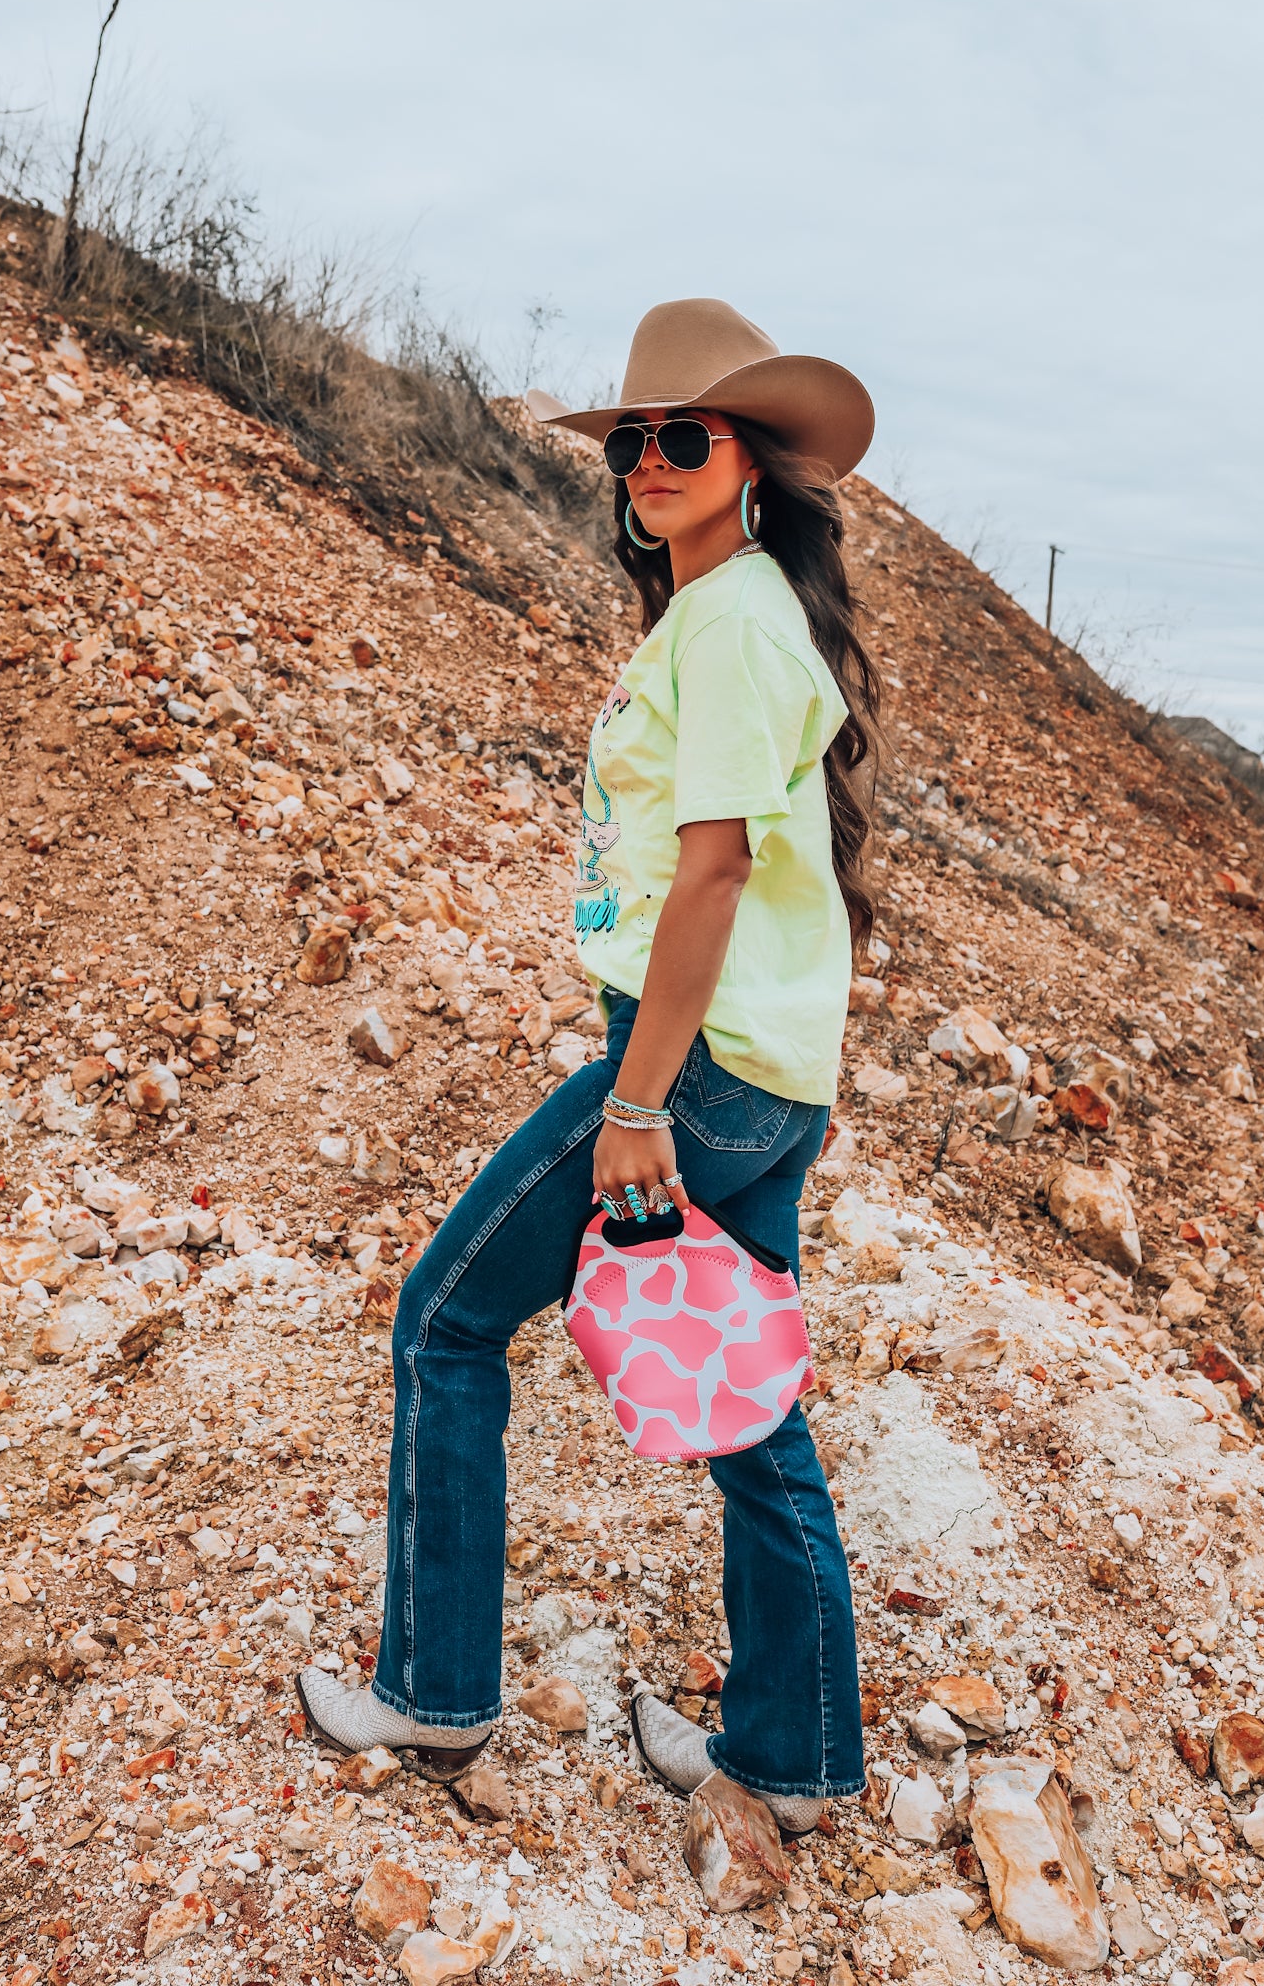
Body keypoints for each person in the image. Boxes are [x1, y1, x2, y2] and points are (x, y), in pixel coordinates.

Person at [297, 297, 881, 1838]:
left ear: (751, 459)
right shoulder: (718, 616)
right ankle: (796, 1757)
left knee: (444, 1320)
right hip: (757, 1063)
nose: (648, 462)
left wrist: (635, 1103)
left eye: (682, 437)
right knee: (751, 1399)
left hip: (691, 1067)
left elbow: (708, 877)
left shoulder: (741, 621)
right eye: (634, 441)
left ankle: (431, 1691)